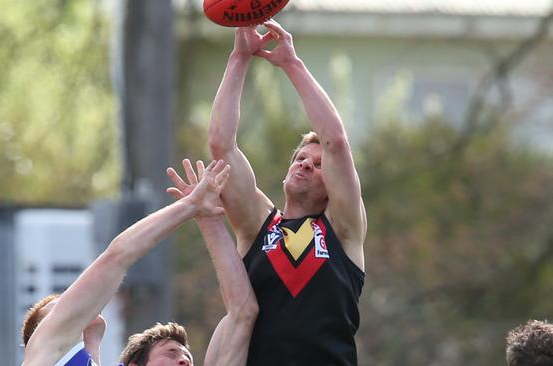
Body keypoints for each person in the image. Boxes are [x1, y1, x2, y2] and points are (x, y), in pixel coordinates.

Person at [208, 20, 367, 366]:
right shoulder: (256, 227)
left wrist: (291, 64)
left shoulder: (343, 229)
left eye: (319, 164)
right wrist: (239, 58)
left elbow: (336, 142)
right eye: (300, 158)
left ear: (335, 186)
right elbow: (222, 146)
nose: (306, 164)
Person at [21, 159, 258, 366]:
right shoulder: (46, 348)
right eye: (59, 304)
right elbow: (117, 258)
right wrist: (190, 206)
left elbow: (243, 314)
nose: (69, 301)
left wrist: (206, 217)